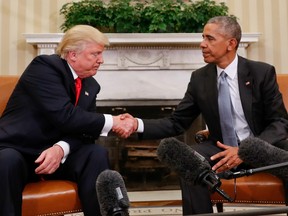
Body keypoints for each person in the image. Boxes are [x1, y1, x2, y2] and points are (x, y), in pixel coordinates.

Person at [115, 16, 288, 214]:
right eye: (202, 38)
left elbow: (280, 122)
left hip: (262, 146)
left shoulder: (260, 72)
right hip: (220, 148)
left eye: (210, 38)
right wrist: (137, 124)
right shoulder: (200, 78)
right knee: (189, 161)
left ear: (231, 43)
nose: (202, 44)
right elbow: (177, 122)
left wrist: (245, 151)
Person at [0, 25, 135, 216]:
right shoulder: (44, 67)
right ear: (73, 55)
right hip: (20, 151)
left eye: (101, 54)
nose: (101, 60)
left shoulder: (91, 85)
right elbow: (65, 115)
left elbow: (85, 132)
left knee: (95, 153)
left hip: (56, 158)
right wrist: (113, 121)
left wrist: (60, 149)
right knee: (6, 160)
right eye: (95, 54)